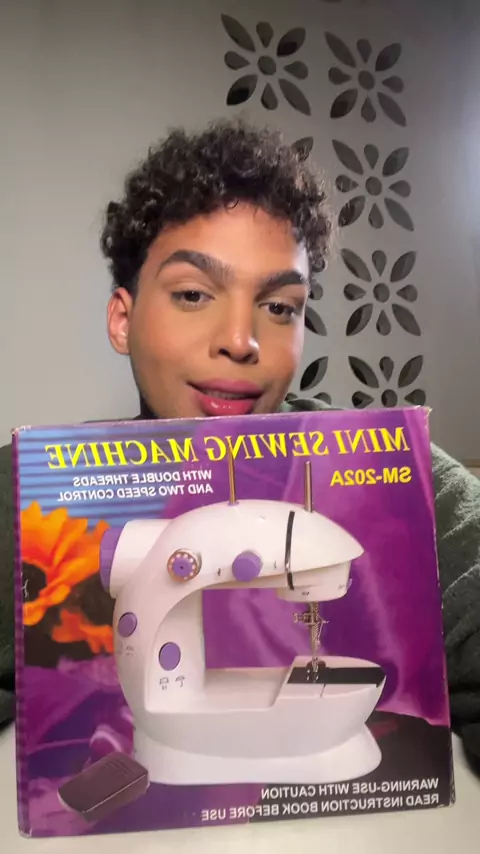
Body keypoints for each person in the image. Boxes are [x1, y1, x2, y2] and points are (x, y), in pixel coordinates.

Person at [1, 120, 480, 766]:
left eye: (280, 307)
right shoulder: (31, 496)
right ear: (122, 319)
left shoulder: (390, 471)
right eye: (193, 294)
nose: (241, 340)